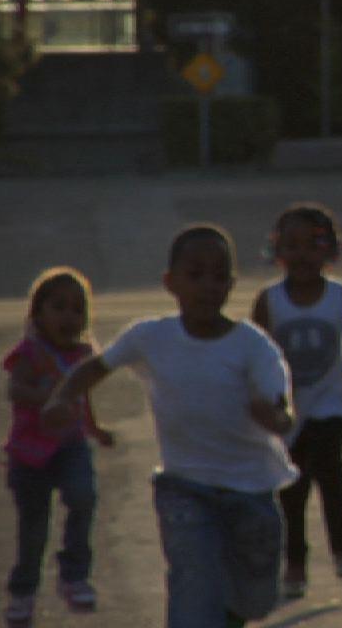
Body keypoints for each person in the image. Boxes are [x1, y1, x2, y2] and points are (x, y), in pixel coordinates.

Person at [41, 224, 298, 628]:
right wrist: (62, 397)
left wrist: (276, 418)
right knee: (193, 581)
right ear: (171, 282)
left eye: (219, 277)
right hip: (184, 488)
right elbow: (96, 366)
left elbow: (281, 408)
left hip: (250, 489)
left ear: (231, 285)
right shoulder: (151, 337)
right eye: (195, 275)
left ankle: (230, 613)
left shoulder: (252, 346)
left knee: (254, 597)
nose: (208, 286)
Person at [250, 202, 342, 598]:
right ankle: (295, 565)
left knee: (328, 464)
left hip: (333, 401)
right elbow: (253, 350)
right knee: (292, 488)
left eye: (313, 245)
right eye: (292, 245)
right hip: (289, 409)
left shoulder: (340, 296)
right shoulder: (269, 301)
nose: (302, 255)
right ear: (277, 250)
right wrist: (260, 398)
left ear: (330, 251)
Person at [1, 267, 114, 627]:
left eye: (78, 309)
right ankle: (23, 592)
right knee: (33, 529)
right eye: (59, 307)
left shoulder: (83, 356)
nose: (69, 316)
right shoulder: (30, 353)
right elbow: (15, 390)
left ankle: (74, 575)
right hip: (30, 454)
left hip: (71, 446)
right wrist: (50, 397)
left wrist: (95, 429)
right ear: (38, 313)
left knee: (84, 496)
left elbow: (84, 399)